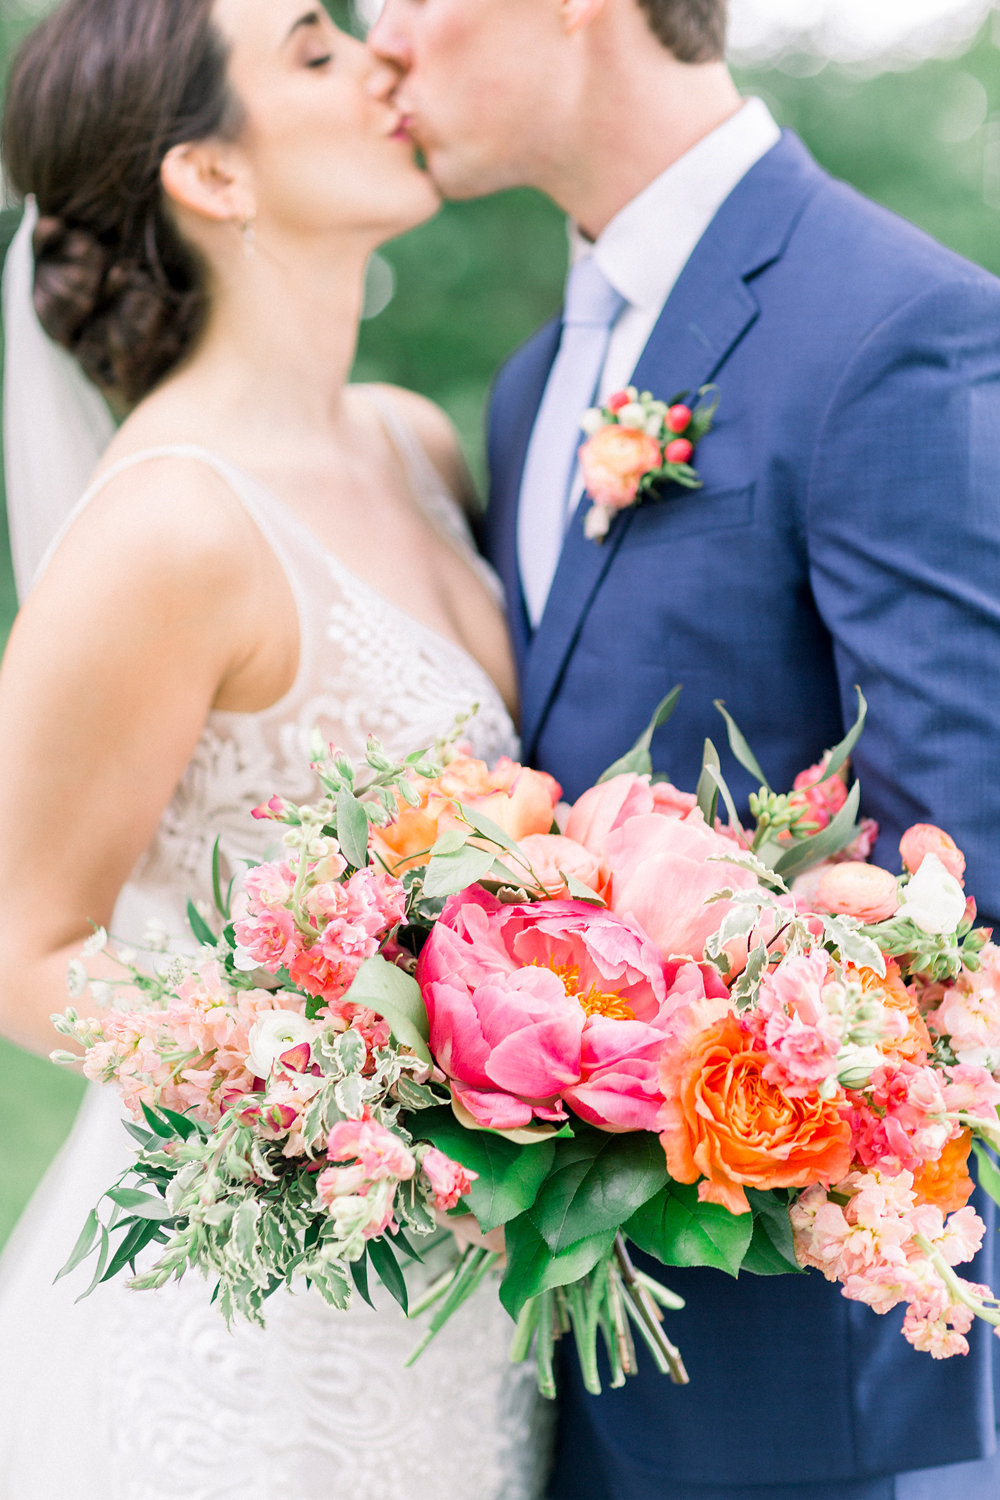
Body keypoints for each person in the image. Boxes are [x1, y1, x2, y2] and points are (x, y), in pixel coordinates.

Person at [368, 1, 1000, 1497]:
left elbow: (966, 862)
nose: (379, 38)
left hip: (804, 1378)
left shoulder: (891, 323)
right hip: (565, 1341)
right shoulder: (534, 384)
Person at [0, 0, 551, 1495]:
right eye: (315, 47)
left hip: (455, 1305)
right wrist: (331, 1087)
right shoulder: (170, 527)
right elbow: (25, 941)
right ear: (213, 177)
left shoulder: (410, 442)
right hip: (243, 1321)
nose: (384, 59)